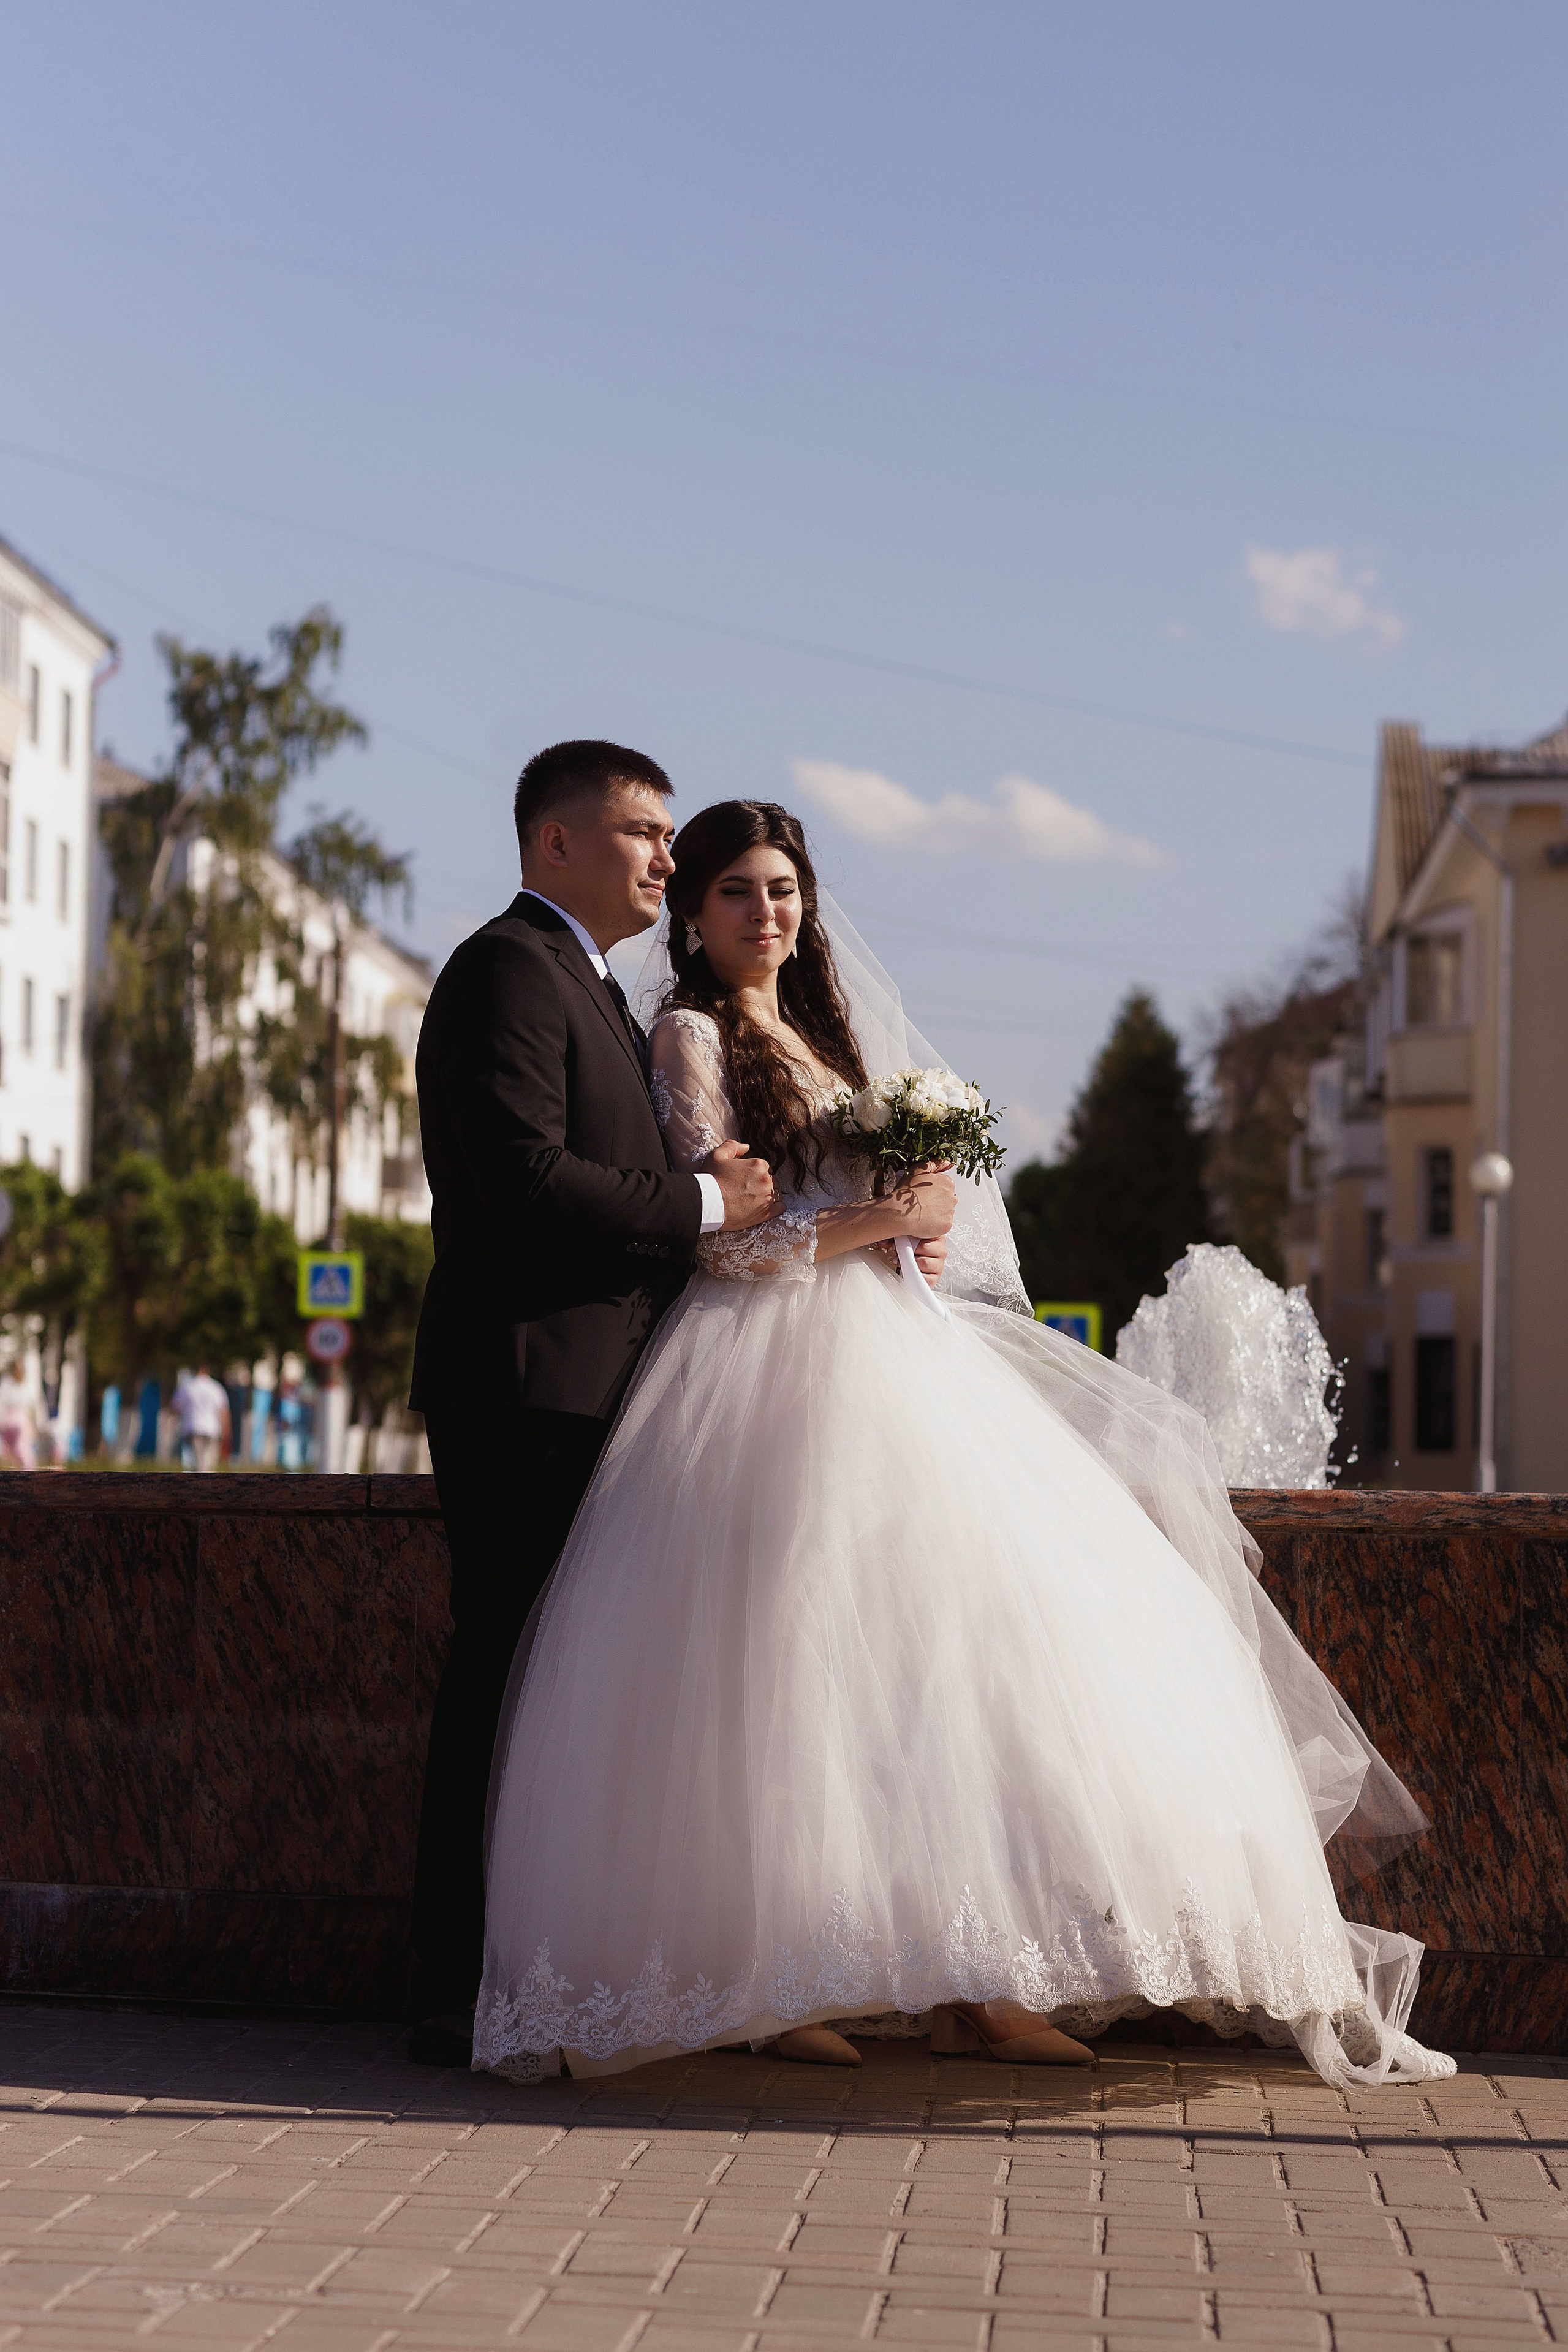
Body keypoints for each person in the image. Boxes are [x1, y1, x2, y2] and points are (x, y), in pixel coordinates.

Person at [474, 800, 1455, 2093]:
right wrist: (871, 1215)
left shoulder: (822, 1033)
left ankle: (974, 1982)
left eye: (782, 889)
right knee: (779, 1668)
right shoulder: (690, 1034)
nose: (764, 912)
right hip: (763, 1368)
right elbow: (722, 1239)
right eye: (733, 893)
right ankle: (776, 1978)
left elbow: (881, 1213)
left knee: (958, 1656)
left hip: (894, 1349)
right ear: (696, 920)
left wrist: (923, 1215)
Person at [406, 742, 779, 2065]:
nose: (665, 857)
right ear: (553, 841)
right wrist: (699, 1204)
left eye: (669, 833)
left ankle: (525, 1970)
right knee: (505, 1677)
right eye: (640, 830)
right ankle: (455, 1984)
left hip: (585, 1389)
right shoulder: (506, 969)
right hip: (526, 1386)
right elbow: (518, 1178)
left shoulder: (595, 985)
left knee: (549, 1687)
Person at [174, 1364, 230, 1472]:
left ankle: (197, 1485)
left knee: (197, 1464)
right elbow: (223, 1411)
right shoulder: (215, 1387)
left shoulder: (187, 1387)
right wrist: (226, 1431)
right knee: (209, 1465)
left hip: (192, 1428)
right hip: (212, 1429)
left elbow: (175, 1407)